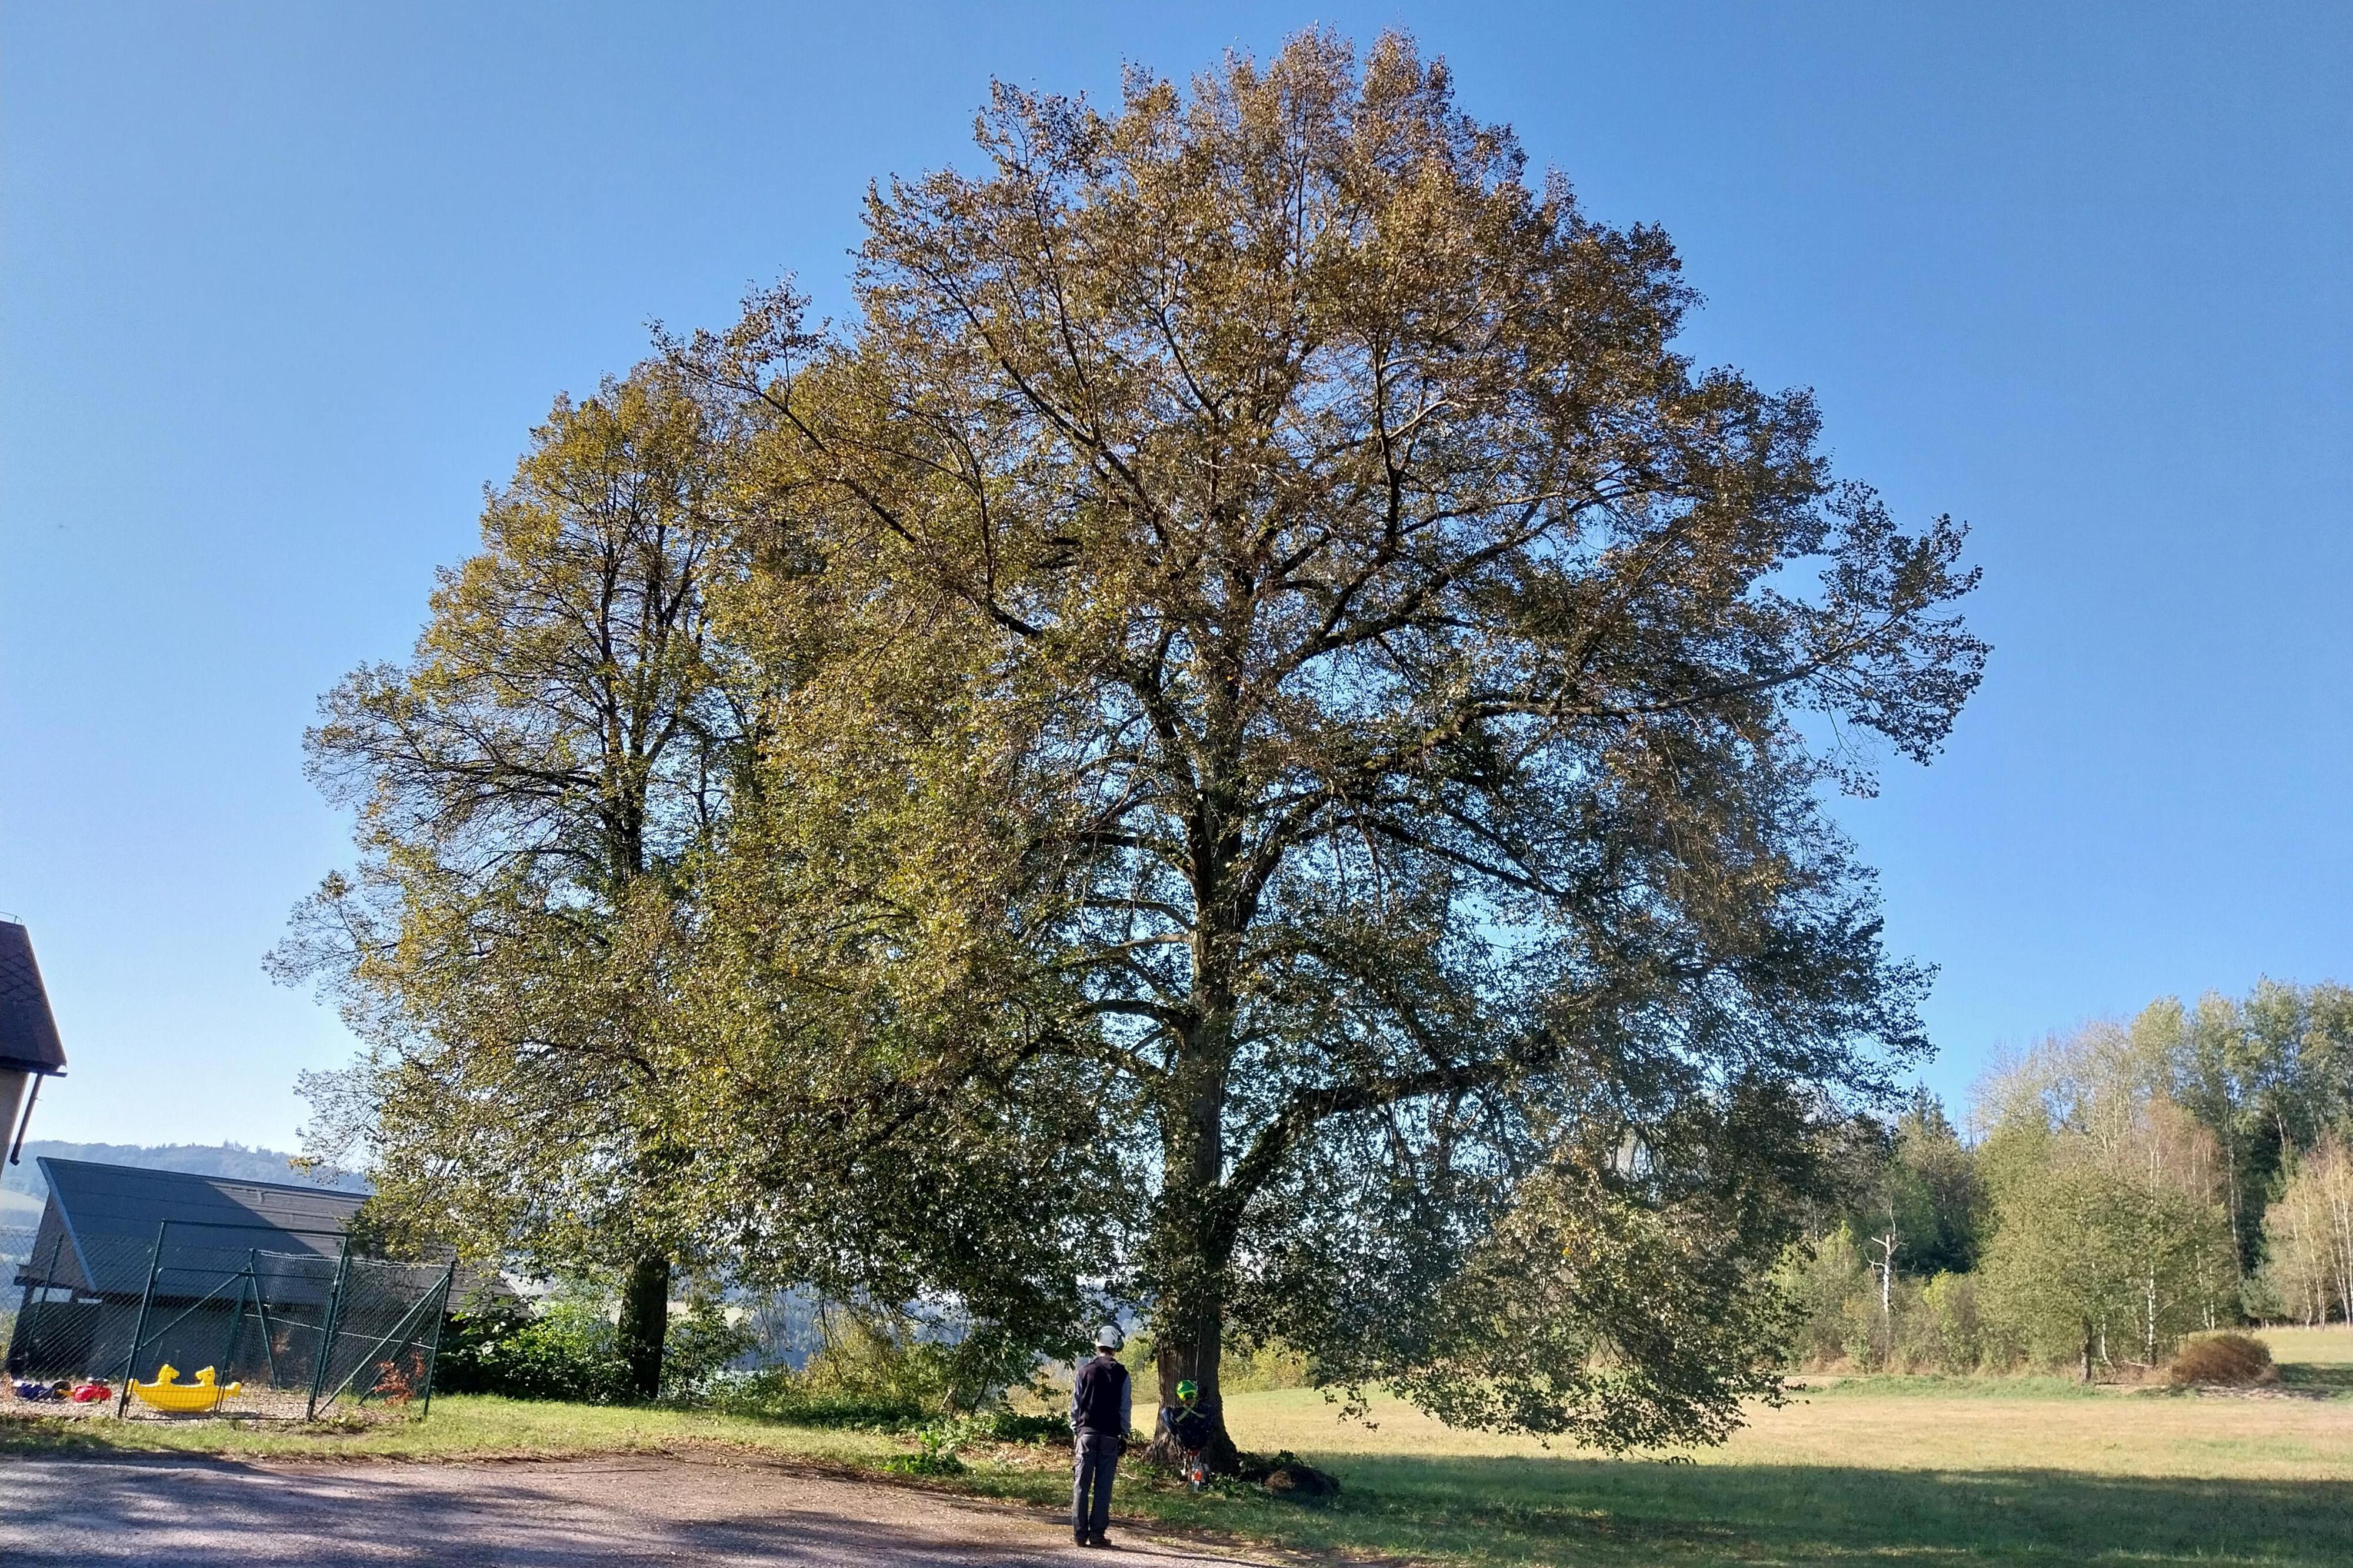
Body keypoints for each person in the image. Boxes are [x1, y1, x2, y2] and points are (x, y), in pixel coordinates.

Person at [1068, 1323, 1132, 1549]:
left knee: (1081, 1485)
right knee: (1103, 1487)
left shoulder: (1084, 1371)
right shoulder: (1123, 1374)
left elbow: (1076, 1406)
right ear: (1116, 1346)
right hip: (1110, 1437)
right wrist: (1124, 1433)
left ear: (1098, 1344)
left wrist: (1076, 1430)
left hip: (1086, 1435)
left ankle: (1079, 1534)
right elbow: (1125, 1408)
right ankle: (1097, 1534)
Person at [1161, 1379, 1213, 1490]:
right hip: (1202, 1441)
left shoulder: (1174, 1413)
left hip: (1184, 1442)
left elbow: (1165, 1414)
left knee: (1165, 1412)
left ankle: (1188, 1474)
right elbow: (1212, 1414)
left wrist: (1175, 1432)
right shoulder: (1206, 1409)